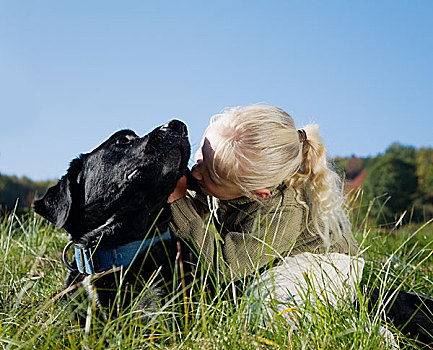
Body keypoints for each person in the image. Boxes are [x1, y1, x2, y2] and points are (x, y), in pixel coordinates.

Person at [168, 105, 364, 323]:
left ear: (256, 193)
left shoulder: (282, 210)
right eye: (200, 158)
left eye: (211, 177)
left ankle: (371, 328)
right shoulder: (226, 174)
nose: (196, 173)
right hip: (271, 260)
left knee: (265, 310)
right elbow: (198, 202)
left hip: (322, 270)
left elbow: (225, 266)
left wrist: (177, 204)